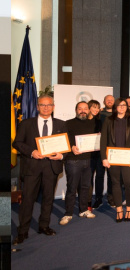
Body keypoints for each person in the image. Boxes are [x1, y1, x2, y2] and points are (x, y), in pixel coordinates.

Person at [13, 95, 67, 245]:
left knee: (48, 198)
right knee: (28, 200)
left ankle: (44, 226)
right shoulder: (26, 124)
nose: (46, 107)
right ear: (37, 107)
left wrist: (61, 155)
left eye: (49, 105)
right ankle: (22, 231)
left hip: (51, 167)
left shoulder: (61, 125)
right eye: (42, 105)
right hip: (32, 166)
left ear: (53, 107)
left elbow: (66, 147)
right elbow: (16, 143)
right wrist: (31, 152)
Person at [100, 98, 130, 222]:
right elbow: (103, 140)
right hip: (113, 158)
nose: (121, 107)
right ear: (115, 107)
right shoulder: (108, 120)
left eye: (124, 105)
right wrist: (104, 158)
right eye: (119, 105)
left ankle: (129, 209)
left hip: (128, 158)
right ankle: (119, 210)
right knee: (116, 184)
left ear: (127, 107)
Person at [60, 101, 98, 226]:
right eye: (80, 108)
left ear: (89, 110)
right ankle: (68, 213)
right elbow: (63, 139)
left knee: (85, 187)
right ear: (76, 110)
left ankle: (83, 210)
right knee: (72, 188)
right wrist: (71, 146)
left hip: (90, 159)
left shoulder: (95, 123)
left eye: (85, 108)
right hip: (73, 160)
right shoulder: (68, 123)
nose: (83, 111)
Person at [87, 100, 102, 211]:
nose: (96, 110)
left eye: (98, 108)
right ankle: (88, 201)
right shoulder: (83, 122)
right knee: (88, 178)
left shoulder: (101, 122)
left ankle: (99, 199)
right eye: (94, 107)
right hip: (87, 154)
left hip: (99, 154)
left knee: (99, 177)